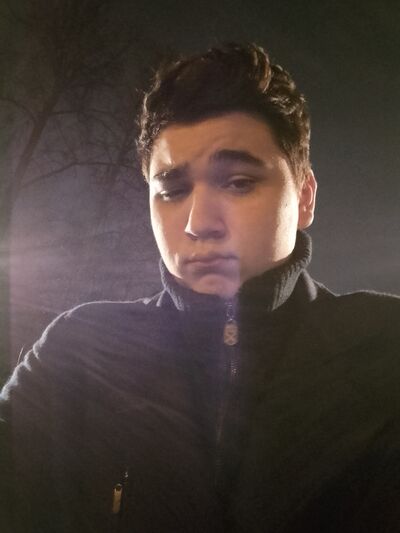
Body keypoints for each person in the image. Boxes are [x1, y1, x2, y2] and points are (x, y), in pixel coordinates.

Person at [1, 42, 399, 533]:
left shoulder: (386, 350)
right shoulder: (78, 353)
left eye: (238, 182)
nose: (198, 223)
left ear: (305, 197)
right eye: (172, 191)